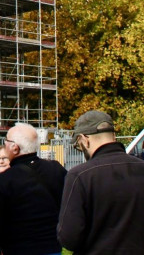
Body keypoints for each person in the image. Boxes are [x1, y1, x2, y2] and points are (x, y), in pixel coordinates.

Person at [58, 109, 144, 254]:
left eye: (78, 146)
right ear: (114, 136)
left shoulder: (79, 176)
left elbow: (69, 237)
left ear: (84, 139)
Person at [0, 122, 66, 255]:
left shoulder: (3, 181)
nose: (4, 146)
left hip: (17, 248)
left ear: (15, 148)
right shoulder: (56, 170)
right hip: (52, 247)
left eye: (6, 142)